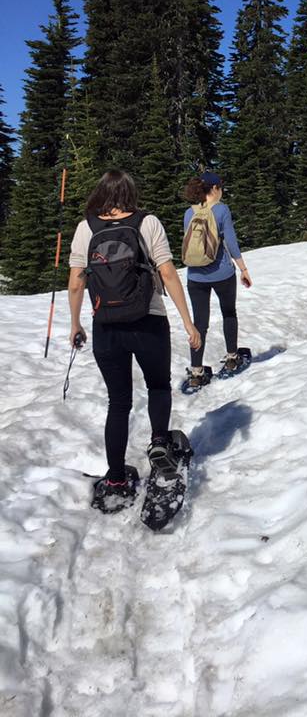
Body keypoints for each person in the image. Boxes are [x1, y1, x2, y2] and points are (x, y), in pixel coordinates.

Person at [67, 170, 201, 512]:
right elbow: (168, 272)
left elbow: (76, 282)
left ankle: (114, 477)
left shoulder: (87, 227)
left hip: (106, 326)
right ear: (131, 192)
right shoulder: (148, 222)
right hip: (148, 320)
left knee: (119, 401)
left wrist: (75, 324)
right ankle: (159, 445)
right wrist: (189, 322)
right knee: (158, 386)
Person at [182, 171, 252, 388]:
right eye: (220, 187)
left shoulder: (189, 212)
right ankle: (232, 359)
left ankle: (196, 372)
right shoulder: (221, 210)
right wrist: (243, 269)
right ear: (214, 189)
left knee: (199, 323)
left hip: (195, 275)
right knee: (228, 312)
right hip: (222, 273)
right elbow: (230, 242)